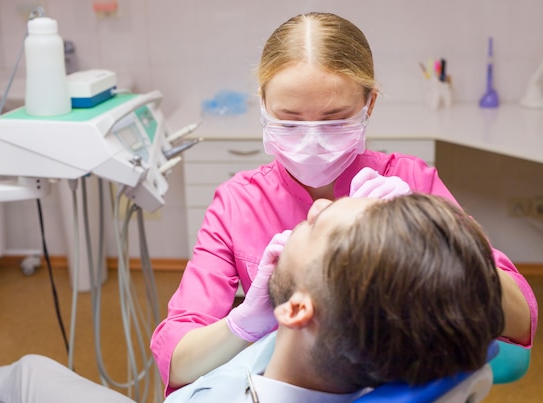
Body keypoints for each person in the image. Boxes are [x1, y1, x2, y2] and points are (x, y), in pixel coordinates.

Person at [150, 11, 537, 396]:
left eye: (335, 120)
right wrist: (242, 324)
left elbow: (520, 322)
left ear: (369, 105)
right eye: (289, 121)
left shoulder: (409, 182)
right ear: (264, 105)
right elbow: (177, 358)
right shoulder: (240, 202)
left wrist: (434, 231)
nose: (312, 140)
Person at [0, 194, 508, 402]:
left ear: (299, 310)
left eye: (323, 226)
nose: (319, 205)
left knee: (28, 377)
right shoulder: (364, 341)